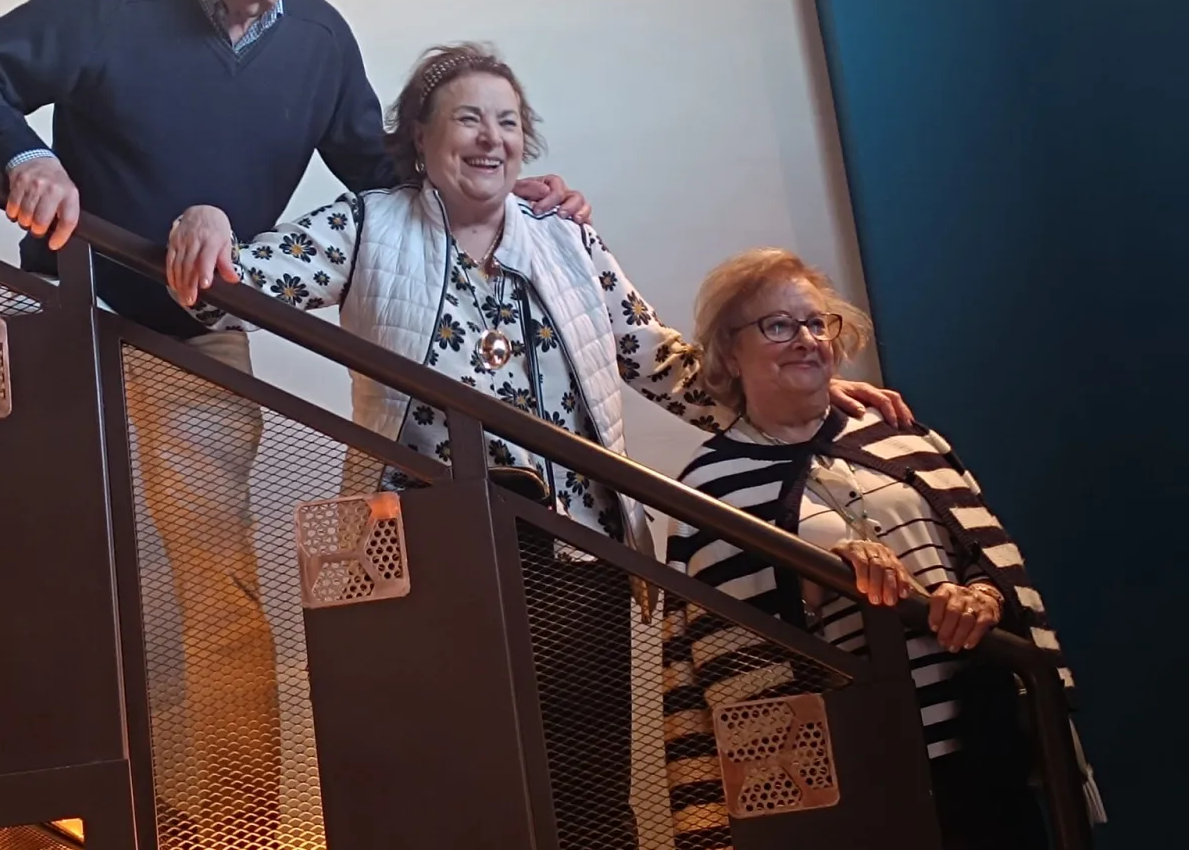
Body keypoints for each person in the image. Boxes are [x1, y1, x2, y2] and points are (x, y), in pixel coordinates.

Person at [0, 0, 590, 849]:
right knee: (33, 558)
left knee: (216, 581)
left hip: (198, 332)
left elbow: (378, 176)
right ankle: (7, 786)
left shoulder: (319, 42)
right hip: (64, 318)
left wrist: (502, 192)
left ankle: (234, 820)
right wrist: (26, 153)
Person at [169, 44, 909, 850]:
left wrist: (793, 383)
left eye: (508, 122)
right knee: (445, 780)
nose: (491, 138)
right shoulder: (367, 225)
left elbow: (659, 360)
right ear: (419, 135)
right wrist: (204, 218)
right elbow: (224, 287)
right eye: (467, 118)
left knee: (585, 786)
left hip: (575, 552)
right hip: (426, 556)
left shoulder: (569, 243)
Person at [663, 248, 1099, 850]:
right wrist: (826, 574)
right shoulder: (709, 486)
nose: (806, 339)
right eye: (778, 325)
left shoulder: (900, 434)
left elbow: (986, 557)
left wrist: (980, 598)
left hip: (981, 744)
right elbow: (737, 664)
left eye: (818, 323)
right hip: (857, 774)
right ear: (729, 353)